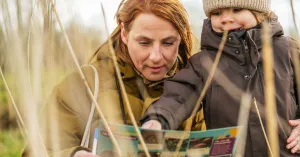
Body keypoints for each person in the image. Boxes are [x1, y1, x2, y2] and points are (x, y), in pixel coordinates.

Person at [21, 0, 206, 157]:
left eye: (167, 42)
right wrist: (73, 154)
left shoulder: (193, 89)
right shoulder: (84, 85)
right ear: (124, 33)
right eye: (144, 42)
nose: (156, 56)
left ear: (180, 38)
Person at [141, 0, 300, 156]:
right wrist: (157, 119)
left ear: (260, 13)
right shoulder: (204, 63)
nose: (225, 19)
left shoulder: (288, 51)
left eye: (236, 9)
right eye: (217, 13)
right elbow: (178, 97)